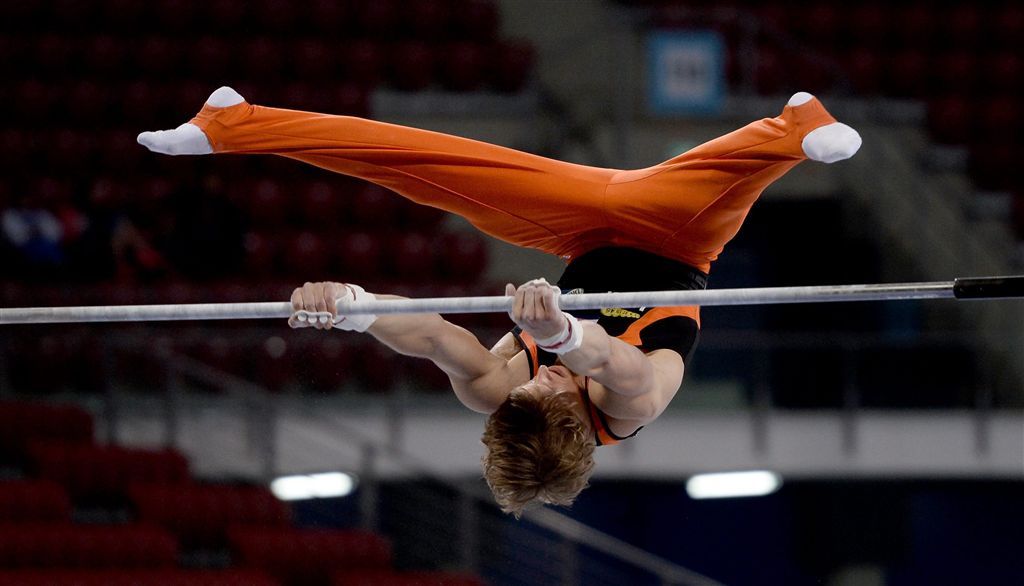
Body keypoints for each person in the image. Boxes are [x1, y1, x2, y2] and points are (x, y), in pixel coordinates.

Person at [139, 87, 861, 516]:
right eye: (554, 391)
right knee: (680, 190)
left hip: (574, 229)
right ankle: (794, 127)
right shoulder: (631, 406)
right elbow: (619, 362)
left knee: (429, 168)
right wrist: (569, 337)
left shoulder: (502, 396)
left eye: (528, 391)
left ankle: (236, 123)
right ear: (584, 422)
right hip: (675, 238)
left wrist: (353, 304)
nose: (537, 379)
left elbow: (428, 335)